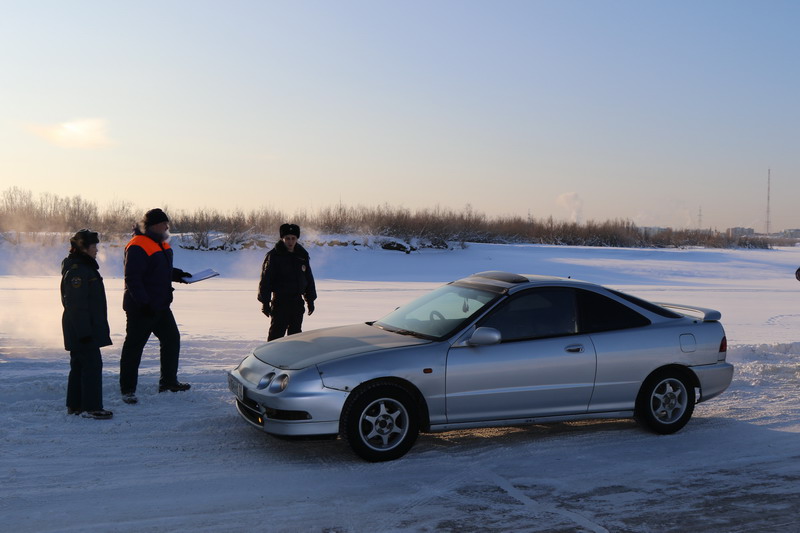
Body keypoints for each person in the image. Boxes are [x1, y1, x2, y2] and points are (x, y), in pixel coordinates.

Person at [119, 208, 191, 404]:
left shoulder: (160, 243)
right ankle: (128, 390)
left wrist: (178, 275)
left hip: (161, 305)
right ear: (153, 225)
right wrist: (144, 303)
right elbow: (133, 278)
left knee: (172, 340)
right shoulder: (137, 245)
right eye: (164, 223)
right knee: (134, 348)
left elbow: (160, 270)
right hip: (141, 308)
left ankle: (168, 382)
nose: (167, 227)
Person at [60, 229, 113, 419]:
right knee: (91, 365)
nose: (97, 250)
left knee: (79, 365)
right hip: (82, 328)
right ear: (84, 248)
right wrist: (84, 332)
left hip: (82, 327)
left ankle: (75, 406)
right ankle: (92, 407)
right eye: (94, 246)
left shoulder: (83, 266)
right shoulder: (78, 270)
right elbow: (76, 304)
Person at [258, 223, 317, 341]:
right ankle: (272, 358)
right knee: (276, 335)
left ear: (297, 239)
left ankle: (293, 359)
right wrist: (265, 302)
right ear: (282, 239)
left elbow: (308, 278)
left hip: (297, 302)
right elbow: (266, 280)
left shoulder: (302, 255)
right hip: (280, 302)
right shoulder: (274, 256)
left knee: (295, 336)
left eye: (293, 238)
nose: (290, 241)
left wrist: (310, 300)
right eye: (287, 238)